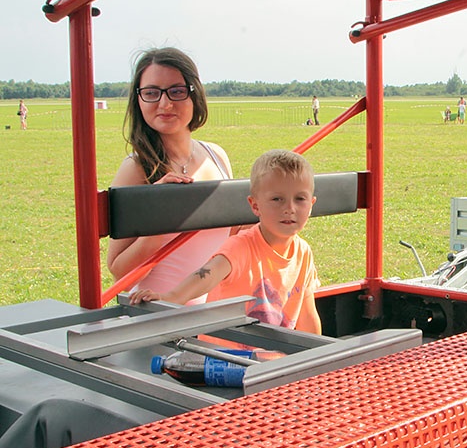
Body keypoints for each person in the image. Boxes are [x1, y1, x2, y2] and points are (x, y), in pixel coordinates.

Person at [130, 150, 322, 335]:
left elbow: (307, 313)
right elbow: (208, 275)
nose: (289, 208)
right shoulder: (242, 246)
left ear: (311, 204)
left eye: (299, 199)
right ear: (255, 205)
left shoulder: (303, 252)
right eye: (277, 199)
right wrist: (171, 297)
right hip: (225, 359)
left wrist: (319, 357)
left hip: (272, 361)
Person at [107, 47, 234, 304]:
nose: (165, 104)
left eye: (176, 91)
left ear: (194, 95)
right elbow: (119, 273)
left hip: (215, 315)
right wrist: (158, 222)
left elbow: (231, 244)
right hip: (157, 316)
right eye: (152, 93)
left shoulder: (216, 156)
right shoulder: (137, 168)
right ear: (138, 100)